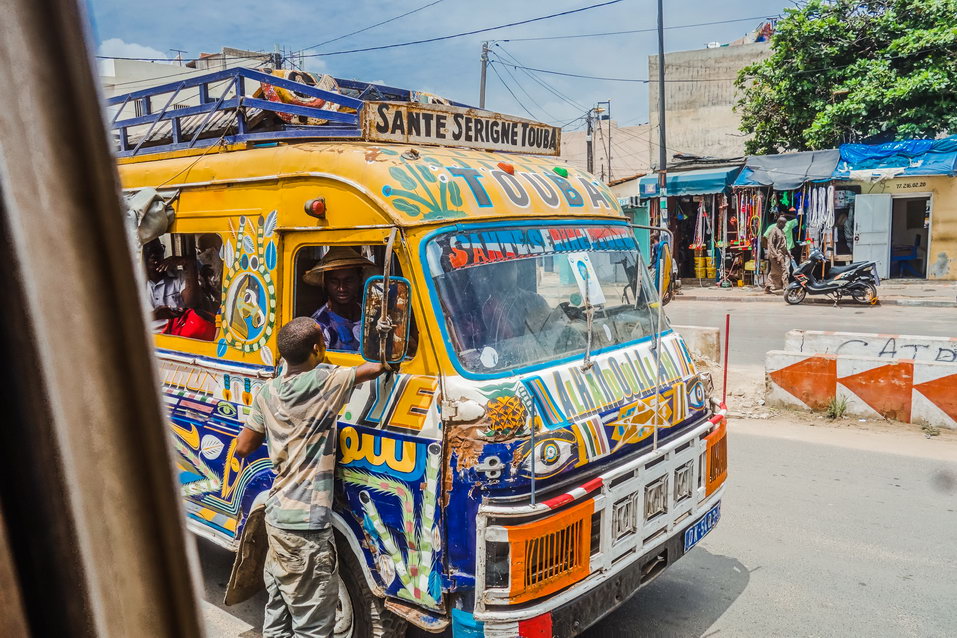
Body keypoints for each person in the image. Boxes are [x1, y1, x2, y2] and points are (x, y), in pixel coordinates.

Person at [235, 318, 390, 638]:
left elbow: (243, 445)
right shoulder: (323, 380)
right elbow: (375, 368)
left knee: (278, 609)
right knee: (313, 625)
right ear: (318, 349)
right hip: (306, 526)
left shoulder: (267, 392)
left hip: (276, 518)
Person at [303, 247, 375, 352]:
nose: (341, 288)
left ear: (359, 279)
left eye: (348, 280)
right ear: (326, 283)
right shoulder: (320, 325)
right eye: (334, 281)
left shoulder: (373, 314)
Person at [144, 238, 201, 332]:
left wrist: (188, 263)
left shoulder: (179, 276)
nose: (154, 255)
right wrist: (155, 315)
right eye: (148, 251)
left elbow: (192, 303)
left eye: (158, 250)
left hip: (177, 335)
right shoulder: (133, 283)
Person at [765, 216, 791, 294]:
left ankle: (768, 287)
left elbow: (783, 245)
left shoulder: (781, 231)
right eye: (784, 224)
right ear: (780, 223)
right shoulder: (774, 231)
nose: (785, 225)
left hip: (781, 254)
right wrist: (776, 255)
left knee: (774, 272)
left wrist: (788, 254)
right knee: (784, 271)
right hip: (776, 255)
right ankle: (787, 288)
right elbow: (771, 244)